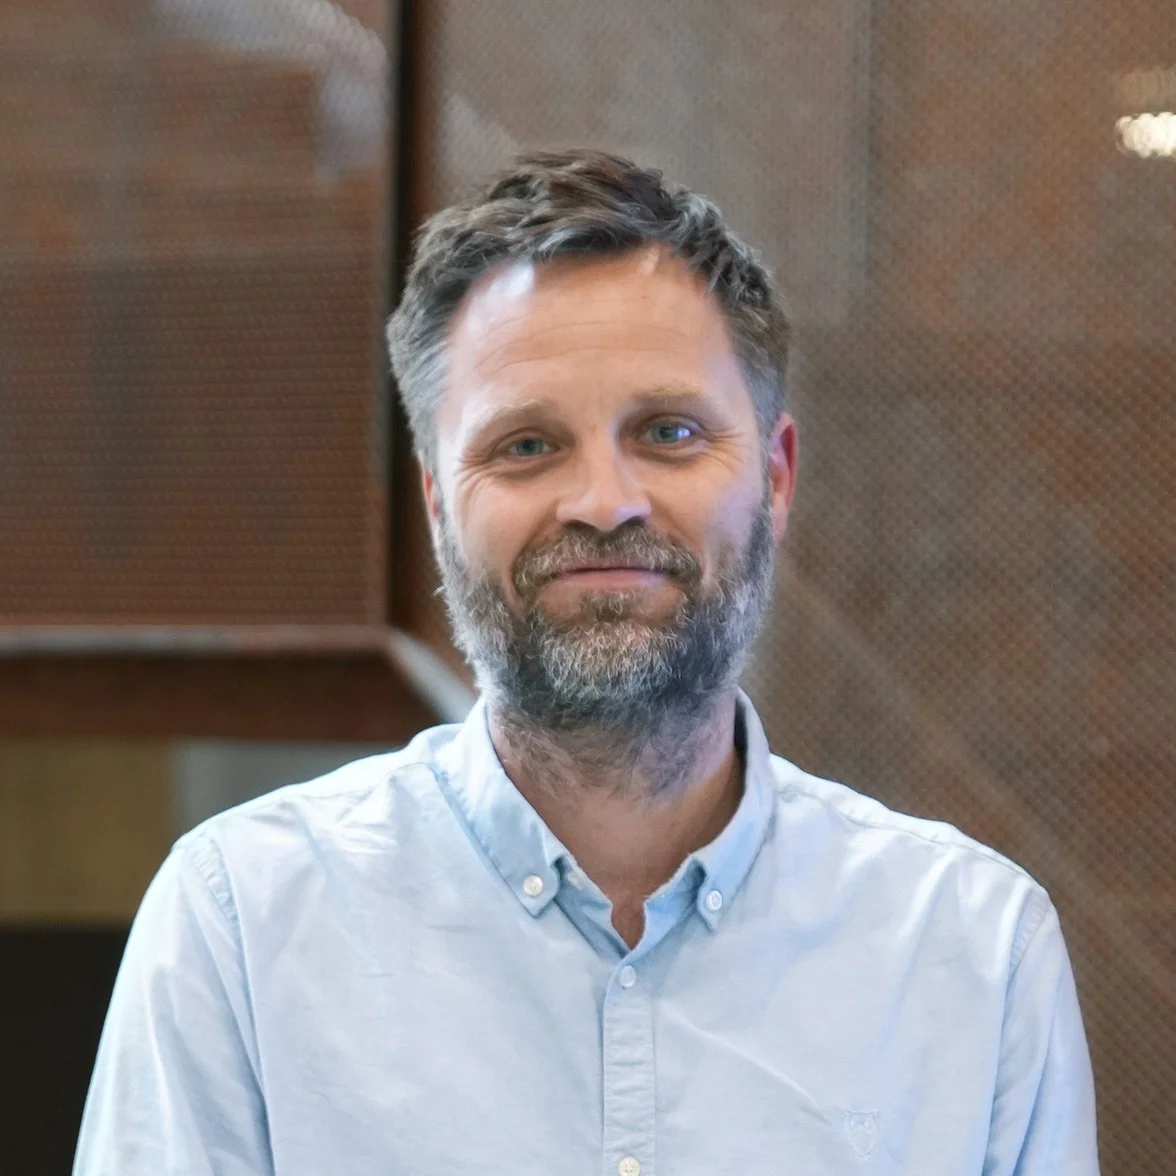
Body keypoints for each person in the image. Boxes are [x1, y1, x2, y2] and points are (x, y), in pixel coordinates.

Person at [74, 150, 1099, 1175]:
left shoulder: (975, 957)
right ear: (437, 504)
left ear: (776, 479)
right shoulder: (240, 930)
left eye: (668, 432)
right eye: (526, 446)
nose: (604, 501)